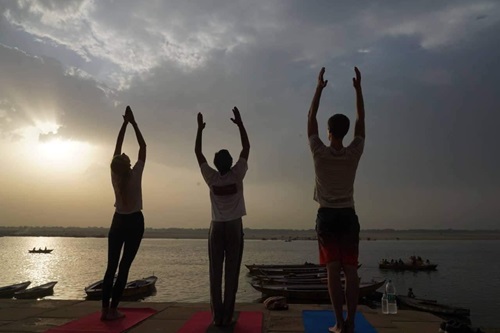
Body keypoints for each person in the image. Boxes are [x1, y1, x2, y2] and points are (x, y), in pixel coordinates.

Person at [307, 67, 365, 333]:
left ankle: (339, 323)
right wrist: (358, 89)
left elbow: (310, 117)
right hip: (348, 215)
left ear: (329, 132)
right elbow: (361, 120)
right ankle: (351, 322)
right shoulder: (354, 152)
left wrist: (319, 88)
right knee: (350, 270)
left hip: (327, 215)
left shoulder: (319, 152)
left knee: (332, 271)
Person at [195, 107, 250, 327]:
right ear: (230, 163)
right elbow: (246, 147)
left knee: (215, 273)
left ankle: (217, 316)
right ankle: (227, 315)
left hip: (216, 227)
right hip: (234, 226)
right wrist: (240, 124)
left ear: (217, 165)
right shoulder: (238, 174)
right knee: (232, 273)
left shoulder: (211, 178)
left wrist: (199, 130)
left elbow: (198, 154)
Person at [101, 106, 146, 321]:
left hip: (118, 221)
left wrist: (124, 124)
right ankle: (113, 310)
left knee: (111, 268)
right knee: (124, 266)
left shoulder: (115, 176)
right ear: (127, 164)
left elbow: (117, 147)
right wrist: (134, 123)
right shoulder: (135, 173)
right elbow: (143, 146)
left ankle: (104, 311)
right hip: (135, 221)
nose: (126, 154)